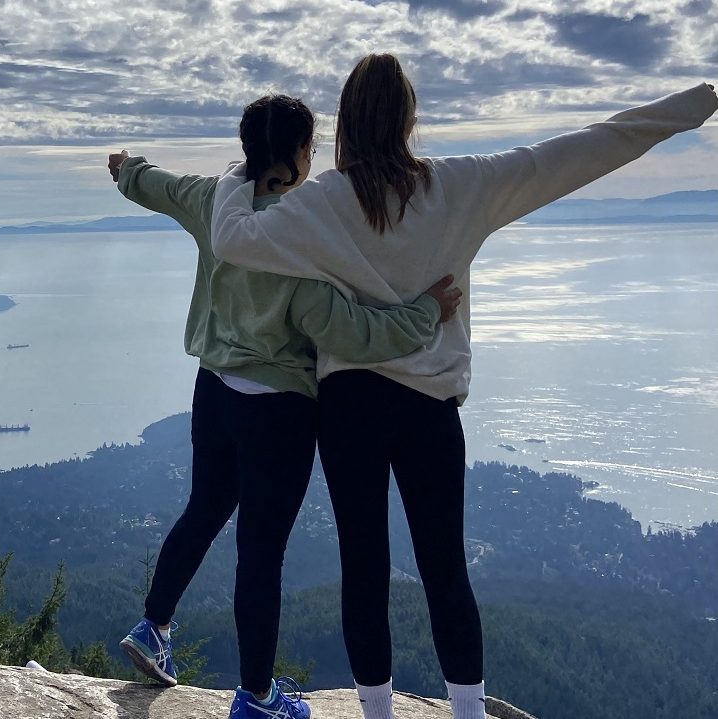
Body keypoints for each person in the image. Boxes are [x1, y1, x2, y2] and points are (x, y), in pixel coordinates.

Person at [207, 55, 718, 719]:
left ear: (346, 124)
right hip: (429, 407)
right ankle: (469, 712)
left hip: (349, 408)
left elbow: (231, 238)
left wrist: (237, 171)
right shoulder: (459, 188)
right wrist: (696, 102)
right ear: (409, 118)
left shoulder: (320, 203)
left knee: (363, 563)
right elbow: (583, 148)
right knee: (445, 565)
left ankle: (377, 712)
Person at [107, 93, 463, 719]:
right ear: (302, 154)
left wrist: (127, 166)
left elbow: (152, 186)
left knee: (203, 507)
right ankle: (257, 696)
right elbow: (349, 329)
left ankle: (153, 625)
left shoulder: (215, 200)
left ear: (248, 150)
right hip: (277, 411)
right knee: (261, 552)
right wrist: (427, 312)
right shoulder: (302, 232)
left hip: (214, 390)